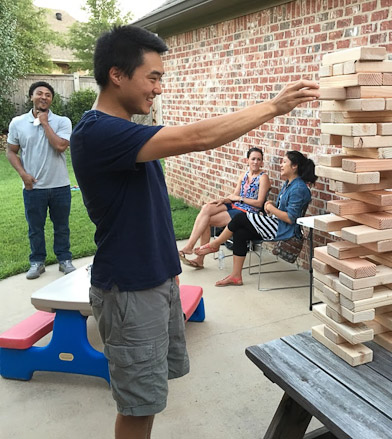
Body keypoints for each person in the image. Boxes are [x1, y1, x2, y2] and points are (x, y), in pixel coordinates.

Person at [69, 25, 318, 439]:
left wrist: (171, 269)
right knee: (137, 405)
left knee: (148, 397)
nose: (159, 89)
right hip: (130, 288)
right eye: (153, 77)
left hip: (154, 279)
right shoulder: (98, 132)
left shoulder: (126, 132)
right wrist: (273, 107)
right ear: (117, 74)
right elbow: (197, 137)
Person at [195, 150, 317, 287]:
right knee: (240, 232)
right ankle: (236, 277)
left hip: (284, 229)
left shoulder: (299, 188)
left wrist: (271, 208)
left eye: (284, 162)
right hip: (276, 224)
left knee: (241, 218)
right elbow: (282, 209)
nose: (281, 165)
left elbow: (290, 218)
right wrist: (271, 205)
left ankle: (215, 244)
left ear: (294, 166)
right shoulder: (289, 184)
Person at [6, 81, 76, 280]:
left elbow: (61, 146)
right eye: (39, 93)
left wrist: (45, 122)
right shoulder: (18, 123)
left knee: (61, 226)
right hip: (33, 187)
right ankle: (37, 262)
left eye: (48, 94)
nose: (44, 97)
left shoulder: (62, 121)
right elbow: (11, 152)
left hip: (60, 185)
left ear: (51, 99)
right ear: (31, 97)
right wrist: (23, 174)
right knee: (35, 228)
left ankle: (64, 259)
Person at [178, 147, 270, 269]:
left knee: (207, 221)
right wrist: (223, 200)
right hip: (235, 205)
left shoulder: (263, 177)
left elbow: (259, 203)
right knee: (207, 208)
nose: (256, 162)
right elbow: (235, 195)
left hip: (247, 212)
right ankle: (190, 247)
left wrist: (239, 199)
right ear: (247, 160)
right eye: (253, 159)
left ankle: (198, 258)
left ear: (262, 162)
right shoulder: (244, 175)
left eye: (259, 159)